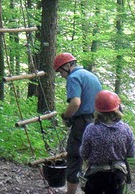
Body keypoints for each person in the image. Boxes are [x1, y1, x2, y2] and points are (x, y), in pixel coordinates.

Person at [53, 52, 102, 194]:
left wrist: (65, 115)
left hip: (82, 123)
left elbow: (75, 103)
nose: (61, 75)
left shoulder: (74, 78)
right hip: (97, 120)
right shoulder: (90, 75)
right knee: (94, 156)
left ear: (67, 66)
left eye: (60, 71)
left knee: (74, 156)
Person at [79, 90, 135, 194]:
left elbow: (83, 153)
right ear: (117, 108)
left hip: (96, 176)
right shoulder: (126, 129)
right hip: (118, 175)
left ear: (97, 110)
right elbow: (131, 154)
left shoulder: (91, 129)